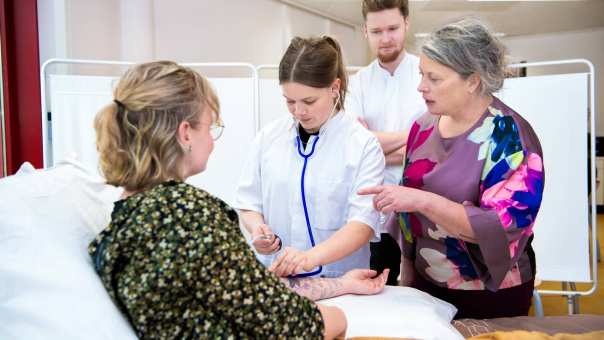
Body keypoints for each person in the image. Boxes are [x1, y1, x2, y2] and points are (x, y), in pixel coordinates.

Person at [89, 60, 388, 339]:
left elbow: (246, 297)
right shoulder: (189, 214)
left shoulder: (127, 219)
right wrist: (338, 317)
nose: (212, 140)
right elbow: (301, 323)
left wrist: (344, 284)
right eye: (210, 126)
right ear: (185, 133)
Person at [359, 19, 545, 319]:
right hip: (425, 285)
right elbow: (411, 221)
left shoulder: (509, 137)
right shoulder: (422, 127)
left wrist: (421, 200)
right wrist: (408, 275)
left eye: (434, 78)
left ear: (472, 81)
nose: (421, 86)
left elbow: (501, 226)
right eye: (421, 74)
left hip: (489, 294)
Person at [234, 36, 386, 279]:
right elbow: (249, 203)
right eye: (289, 101)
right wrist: (257, 230)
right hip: (277, 278)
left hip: (339, 281)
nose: (299, 111)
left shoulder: (362, 146)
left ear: (334, 88)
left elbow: (363, 225)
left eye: (309, 101)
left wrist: (309, 258)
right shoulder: (269, 138)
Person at [346, 0, 427, 284]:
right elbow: (356, 147)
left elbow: (440, 146)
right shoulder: (357, 83)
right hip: (375, 208)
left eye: (392, 28)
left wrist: (375, 145)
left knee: (424, 296)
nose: (386, 38)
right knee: (381, 288)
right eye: (377, 31)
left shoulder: (427, 74)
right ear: (365, 32)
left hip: (424, 204)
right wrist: (417, 137)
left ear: (407, 23)